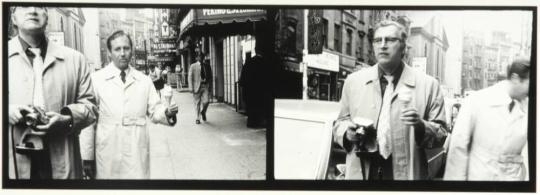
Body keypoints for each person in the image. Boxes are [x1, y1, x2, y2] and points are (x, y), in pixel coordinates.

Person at [332, 20, 448, 180]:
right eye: (378, 40)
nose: (383, 45)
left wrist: (421, 125)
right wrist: (347, 133)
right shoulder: (354, 81)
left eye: (390, 40)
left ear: (403, 47)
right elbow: (340, 122)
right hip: (363, 173)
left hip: (405, 177)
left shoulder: (429, 85)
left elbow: (441, 136)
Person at [8, 6, 97, 179]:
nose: (32, 10)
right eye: (24, 5)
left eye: (40, 6)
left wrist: (67, 119)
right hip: (13, 161)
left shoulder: (75, 59)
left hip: (60, 158)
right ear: (13, 18)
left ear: (47, 17)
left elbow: (91, 108)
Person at [81, 30, 178, 179]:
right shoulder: (96, 79)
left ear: (131, 50)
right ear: (109, 53)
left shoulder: (144, 80)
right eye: (117, 49)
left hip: (136, 148)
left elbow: (154, 110)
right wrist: (87, 157)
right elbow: (88, 119)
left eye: (126, 48)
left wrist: (166, 113)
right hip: (108, 149)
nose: (122, 53)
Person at [444, 58, 530, 181]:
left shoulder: (529, 108)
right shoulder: (477, 101)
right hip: (480, 179)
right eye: (531, 84)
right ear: (516, 79)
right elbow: (458, 148)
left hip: (513, 181)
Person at [188, 53, 212, 124]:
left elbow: (210, 77)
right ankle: (198, 118)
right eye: (199, 56)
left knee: (207, 101)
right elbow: (190, 77)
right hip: (196, 87)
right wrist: (191, 87)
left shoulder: (207, 66)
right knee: (197, 103)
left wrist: (210, 86)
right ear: (196, 58)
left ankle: (203, 112)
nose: (201, 58)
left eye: (202, 56)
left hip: (205, 86)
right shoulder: (193, 66)